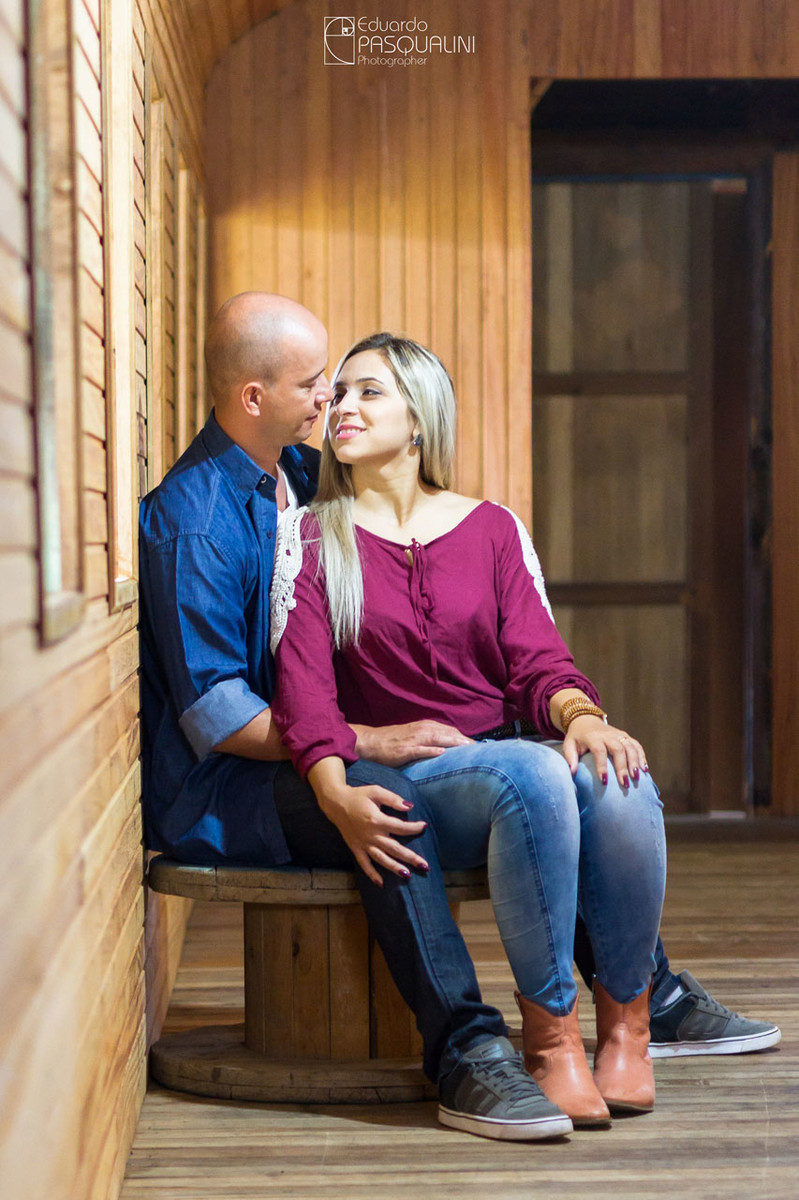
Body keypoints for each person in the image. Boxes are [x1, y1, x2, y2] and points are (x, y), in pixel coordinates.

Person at [139, 295, 779, 1138]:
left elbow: (524, 647)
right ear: (254, 398)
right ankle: (477, 1050)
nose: (333, 399)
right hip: (229, 780)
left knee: (595, 778)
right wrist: (354, 747)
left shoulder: (298, 472)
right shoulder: (203, 519)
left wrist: (575, 712)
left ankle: (638, 1002)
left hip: (330, 742)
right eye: (319, 384)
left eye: (353, 386)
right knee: (392, 795)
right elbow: (220, 715)